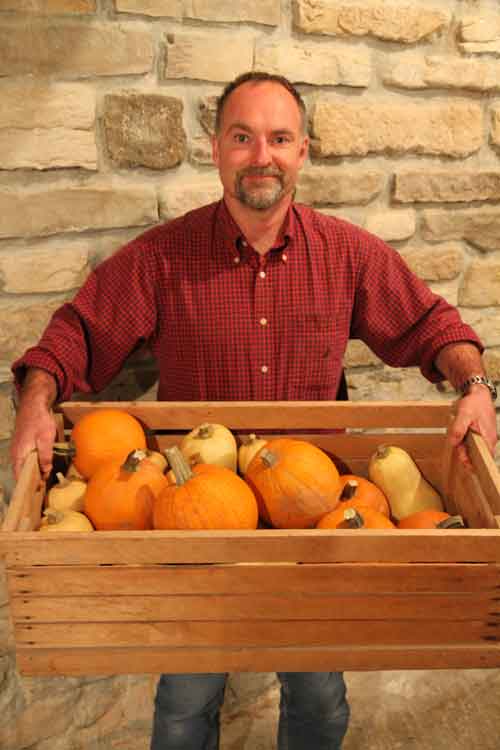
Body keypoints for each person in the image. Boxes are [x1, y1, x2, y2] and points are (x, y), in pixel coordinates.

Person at [9, 71, 498, 750]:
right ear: (215, 150)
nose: (260, 155)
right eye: (242, 137)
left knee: (320, 695)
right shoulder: (161, 259)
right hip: (193, 524)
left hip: (316, 513)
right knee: (186, 698)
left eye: (278, 138)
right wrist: (37, 398)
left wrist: (474, 386)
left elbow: (432, 324)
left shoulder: (347, 255)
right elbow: (77, 333)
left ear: (303, 152)